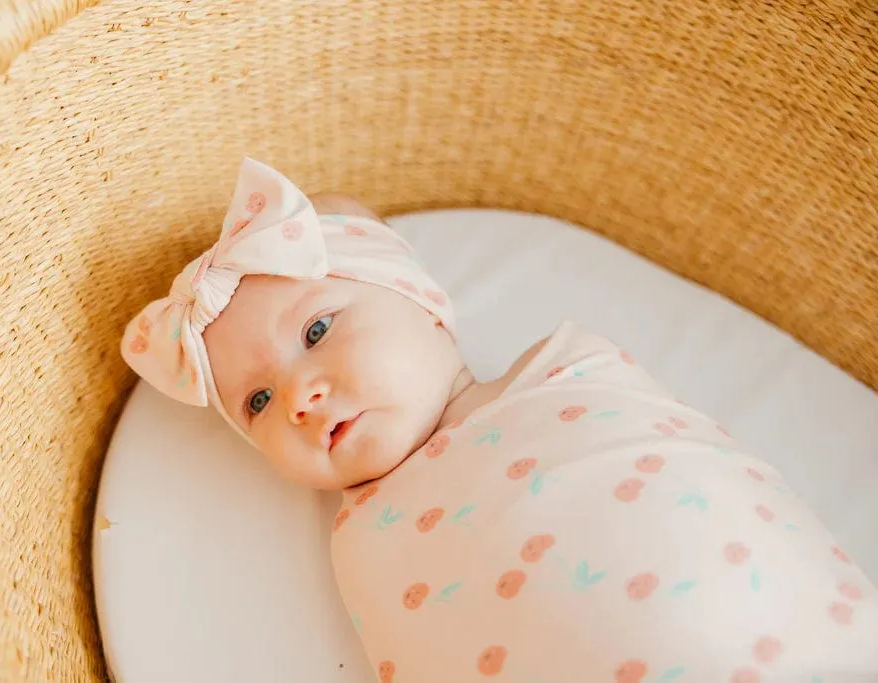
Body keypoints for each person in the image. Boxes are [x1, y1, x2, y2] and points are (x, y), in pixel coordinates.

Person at [121, 157, 878, 683]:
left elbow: (712, 487)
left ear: (421, 300)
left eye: (317, 331)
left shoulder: (569, 374)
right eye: (256, 401)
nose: (297, 397)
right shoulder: (358, 546)